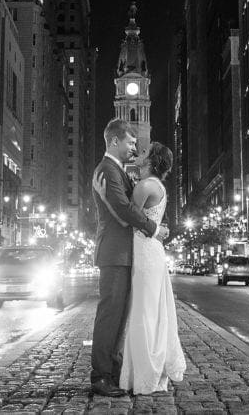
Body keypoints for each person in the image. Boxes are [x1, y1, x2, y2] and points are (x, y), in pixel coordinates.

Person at [97, 141, 185, 395]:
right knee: (150, 313)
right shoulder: (153, 185)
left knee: (143, 314)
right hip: (148, 252)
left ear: (151, 160)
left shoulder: (146, 185)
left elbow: (127, 215)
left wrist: (105, 197)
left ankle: (145, 373)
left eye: (144, 152)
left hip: (145, 253)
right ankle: (147, 371)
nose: (138, 152)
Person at [88, 119, 168, 398]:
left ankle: (113, 370)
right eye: (131, 142)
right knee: (110, 316)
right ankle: (100, 376)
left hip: (124, 253)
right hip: (114, 253)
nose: (135, 147)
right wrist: (153, 228)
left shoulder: (118, 171)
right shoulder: (108, 170)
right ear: (114, 142)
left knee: (120, 316)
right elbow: (122, 208)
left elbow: (124, 205)